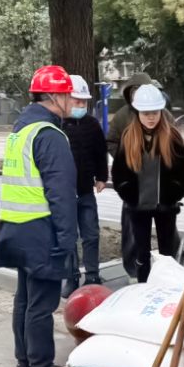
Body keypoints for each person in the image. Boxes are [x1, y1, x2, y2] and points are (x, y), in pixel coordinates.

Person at [0, 66, 78, 367]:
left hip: (16, 227)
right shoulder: (50, 135)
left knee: (25, 299)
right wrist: (67, 239)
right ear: (55, 96)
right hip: (42, 230)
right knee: (41, 305)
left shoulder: (20, 132)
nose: (72, 100)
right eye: (68, 94)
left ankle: (24, 364)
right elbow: (61, 193)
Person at [111, 85, 184, 283]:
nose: (151, 117)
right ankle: (143, 285)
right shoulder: (128, 137)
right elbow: (119, 172)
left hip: (165, 206)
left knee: (166, 253)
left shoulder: (171, 136)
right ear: (138, 112)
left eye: (155, 112)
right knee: (141, 252)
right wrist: (128, 193)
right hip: (138, 206)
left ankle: (166, 286)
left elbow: (183, 170)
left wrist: (174, 193)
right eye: (146, 113)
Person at [106, 72, 173, 277]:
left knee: (167, 236)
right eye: (134, 91)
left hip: (161, 189)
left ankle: (169, 272)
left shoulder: (164, 115)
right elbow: (111, 141)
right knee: (134, 236)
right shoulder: (122, 116)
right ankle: (136, 273)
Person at [62, 75, 108, 298]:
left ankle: (92, 275)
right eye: (76, 101)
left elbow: (100, 152)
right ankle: (71, 277)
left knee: (91, 234)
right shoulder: (58, 124)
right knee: (68, 237)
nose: (80, 106)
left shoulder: (92, 125)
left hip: (86, 191)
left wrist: (102, 177)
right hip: (64, 193)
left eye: (84, 102)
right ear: (66, 100)